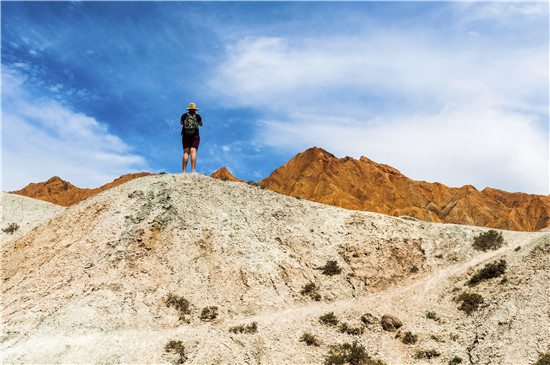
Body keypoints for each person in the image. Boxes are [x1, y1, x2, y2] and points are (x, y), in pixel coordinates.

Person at [180, 102, 203, 173]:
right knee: (193, 151)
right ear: (195, 109)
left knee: (186, 152)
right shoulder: (197, 116)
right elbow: (201, 124)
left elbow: (181, 123)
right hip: (195, 135)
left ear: (189, 109)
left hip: (185, 135)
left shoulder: (184, 115)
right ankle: (193, 170)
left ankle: (183, 171)